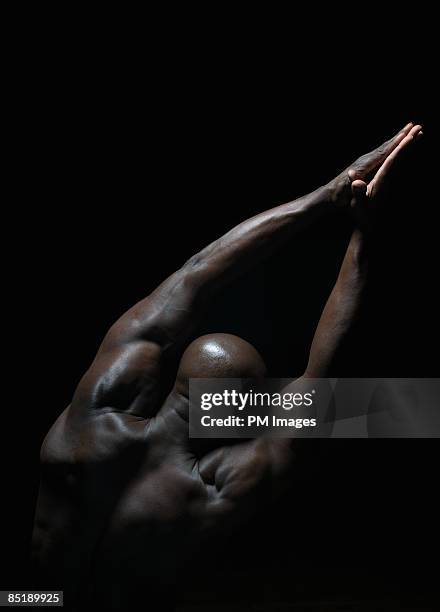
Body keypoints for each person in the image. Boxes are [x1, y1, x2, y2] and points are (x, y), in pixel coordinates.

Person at [32, 123, 422, 610]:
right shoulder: (218, 486)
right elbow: (320, 386)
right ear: (237, 413)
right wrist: (364, 236)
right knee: (388, 409)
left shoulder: (93, 416)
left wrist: (326, 195)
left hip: (38, 597)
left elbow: (196, 274)